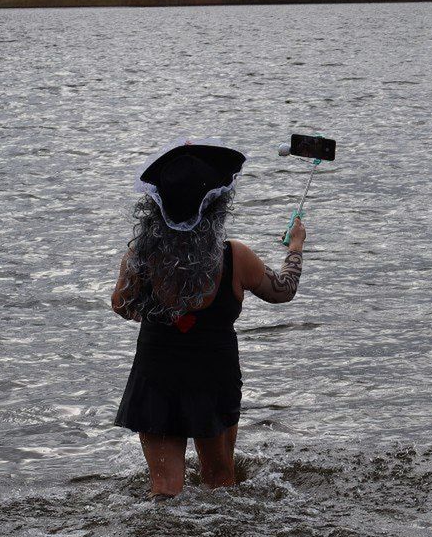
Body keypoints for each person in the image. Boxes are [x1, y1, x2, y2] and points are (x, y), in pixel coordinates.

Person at [112, 141, 305, 500]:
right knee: (220, 481)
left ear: (156, 207)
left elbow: (121, 305)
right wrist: (295, 246)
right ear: (217, 207)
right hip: (213, 378)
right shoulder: (234, 256)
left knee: (164, 489)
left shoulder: (140, 256)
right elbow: (283, 290)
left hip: (157, 374)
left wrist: (164, 313)